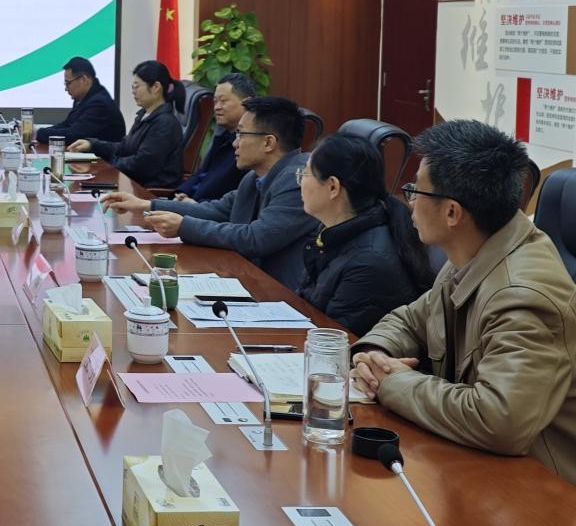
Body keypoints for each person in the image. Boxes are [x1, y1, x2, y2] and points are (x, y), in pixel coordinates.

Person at [351, 120, 576, 485]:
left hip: (540, 490)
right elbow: (411, 319)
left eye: (416, 191)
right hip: (473, 463)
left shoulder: (524, 298)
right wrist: (374, 353)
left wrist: (392, 383)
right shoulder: (474, 251)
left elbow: (499, 419)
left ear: (452, 212)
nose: (409, 202)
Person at [101, 96, 316, 288]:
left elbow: (256, 238)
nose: (235, 143)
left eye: (241, 134)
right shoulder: (254, 178)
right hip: (250, 278)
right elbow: (217, 210)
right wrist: (146, 205)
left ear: (268, 142)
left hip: (282, 295)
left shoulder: (298, 180)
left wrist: (183, 227)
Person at [296, 133, 433, 336]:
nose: (300, 182)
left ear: (333, 186)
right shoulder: (331, 231)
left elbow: (337, 340)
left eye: (305, 174)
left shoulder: (368, 263)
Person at [67, 60, 184, 189]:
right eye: (133, 87)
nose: (133, 92)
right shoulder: (144, 116)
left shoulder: (164, 123)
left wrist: (106, 165)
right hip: (134, 184)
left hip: (150, 192)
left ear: (156, 87)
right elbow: (124, 147)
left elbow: (142, 165)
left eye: (137, 86)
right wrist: (92, 144)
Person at [175, 72, 253, 201]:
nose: (217, 107)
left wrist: (196, 205)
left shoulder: (251, 145)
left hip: (208, 209)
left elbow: (235, 197)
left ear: (246, 103)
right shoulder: (223, 135)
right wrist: (184, 192)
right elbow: (202, 172)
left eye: (223, 101)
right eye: (215, 102)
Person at [34, 56, 126, 145]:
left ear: (83, 80)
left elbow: (73, 135)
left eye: (68, 83)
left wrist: (37, 133)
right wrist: (39, 132)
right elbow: (67, 124)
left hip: (103, 156)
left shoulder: (100, 104)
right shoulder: (83, 98)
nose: (66, 89)